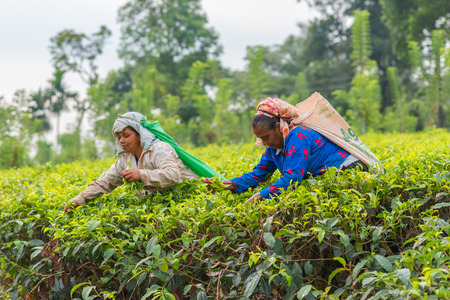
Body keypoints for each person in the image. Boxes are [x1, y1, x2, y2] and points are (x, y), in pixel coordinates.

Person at [207, 97, 368, 204]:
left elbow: (292, 179)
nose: (264, 143)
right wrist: (228, 185)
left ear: (278, 127)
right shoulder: (273, 148)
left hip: (350, 170)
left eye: (266, 137)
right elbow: (258, 174)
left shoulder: (298, 136)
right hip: (331, 176)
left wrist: (258, 197)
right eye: (260, 139)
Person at [64, 112, 198, 212]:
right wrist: (78, 200)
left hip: (187, 203)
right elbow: (105, 182)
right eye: (119, 137)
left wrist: (141, 175)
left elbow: (173, 175)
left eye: (126, 136)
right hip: (162, 209)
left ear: (140, 134)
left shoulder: (159, 149)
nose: (121, 141)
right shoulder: (125, 158)